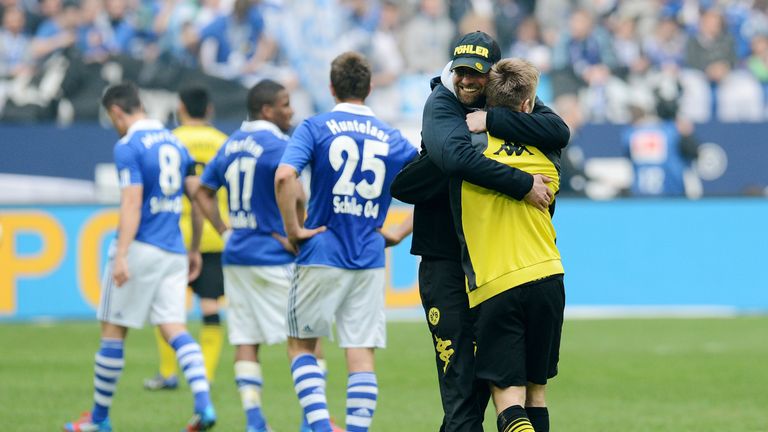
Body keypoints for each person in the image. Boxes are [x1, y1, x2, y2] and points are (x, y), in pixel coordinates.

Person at [390, 31, 569, 432]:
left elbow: (558, 129)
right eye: (461, 73)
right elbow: (452, 158)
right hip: (447, 263)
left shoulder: (500, 103)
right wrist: (522, 184)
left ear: (495, 75)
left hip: (490, 269)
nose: (467, 81)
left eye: (477, 75)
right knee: (465, 388)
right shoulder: (442, 102)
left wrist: (493, 119)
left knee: (503, 387)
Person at [274, 51, 417, 432]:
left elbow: (285, 178)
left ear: (331, 88)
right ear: (369, 88)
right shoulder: (392, 138)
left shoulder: (315, 127)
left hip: (322, 249)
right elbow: (439, 185)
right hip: (369, 254)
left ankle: (321, 428)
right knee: (361, 355)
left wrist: (293, 231)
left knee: (301, 345)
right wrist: (398, 232)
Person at [64, 82, 216, 432]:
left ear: (117, 112)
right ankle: (204, 404)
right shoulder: (176, 144)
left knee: (113, 330)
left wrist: (121, 256)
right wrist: (193, 248)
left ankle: (99, 420)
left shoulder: (128, 145)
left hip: (142, 247)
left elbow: (131, 202)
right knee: (174, 328)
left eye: (112, 118)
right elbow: (197, 199)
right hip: (174, 251)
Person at [462, 58, 565, 432]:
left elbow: (408, 185)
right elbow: (556, 128)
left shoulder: (470, 147)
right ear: (527, 105)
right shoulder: (550, 157)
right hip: (548, 275)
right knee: (537, 395)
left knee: (508, 398)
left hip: (496, 282)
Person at [194, 79, 295, 432]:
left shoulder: (230, 145)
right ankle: (315, 420)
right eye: (284, 104)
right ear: (266, 109)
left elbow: (203, 192)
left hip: (236, 255)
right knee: (305, 338)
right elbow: (291, 187)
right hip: (273, 257)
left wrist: (224, 231)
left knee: (245, 339)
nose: (291, 110)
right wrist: (292, 231)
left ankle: (254, 419)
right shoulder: (280, 145)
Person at [144, 84, 229, 391]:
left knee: (168, 308)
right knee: (210, 305)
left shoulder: (169, 141)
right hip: (213, 235)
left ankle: (168, 373)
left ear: (180, 108)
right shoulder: (223, 143)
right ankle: (204, 375)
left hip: (172, 235)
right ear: (209, 110)